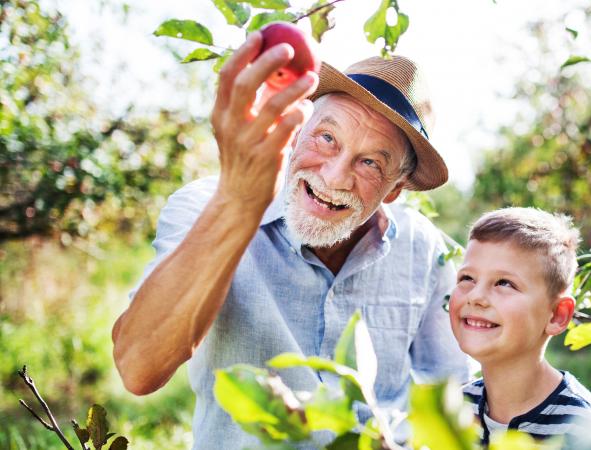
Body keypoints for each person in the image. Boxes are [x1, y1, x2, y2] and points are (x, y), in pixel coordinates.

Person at [111, 33, 468, 449]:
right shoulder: (204, 207)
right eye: (327, 138)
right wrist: (238, 205)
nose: (334, 178)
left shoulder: (426, 251)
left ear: (394, 189)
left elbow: (455, 396)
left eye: (370, 162)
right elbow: (139, 368)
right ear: (298, 131)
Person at [449, 207, 591, 446]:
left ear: (557, 315)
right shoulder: (456, 410)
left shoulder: (581, 429)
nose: (476, 296)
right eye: (467, 278)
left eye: (504, 283)